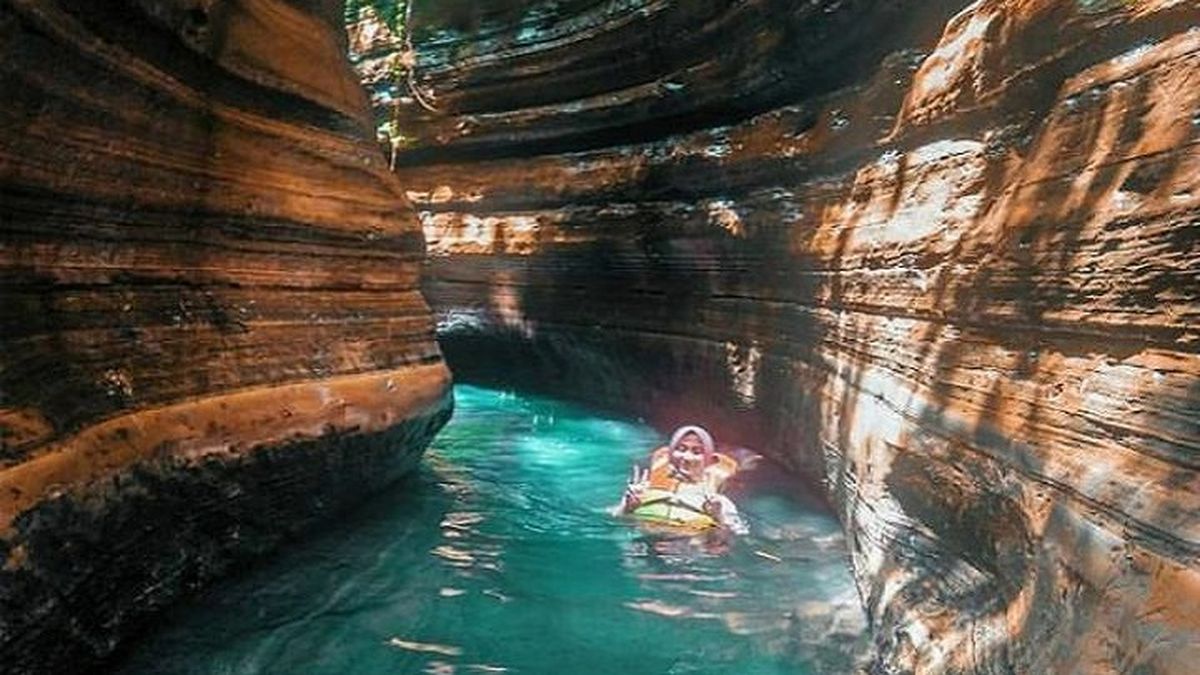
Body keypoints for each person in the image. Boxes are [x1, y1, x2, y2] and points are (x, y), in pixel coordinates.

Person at [616, 425, 748, 534]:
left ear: (709, 460)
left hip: (687, 552)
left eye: (696, 452)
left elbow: (738, 533)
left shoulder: (719, 502)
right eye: (681, 449)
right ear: (670, 454)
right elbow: (616, 520)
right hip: (642, 546)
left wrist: (718, 516)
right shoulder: (641, 491)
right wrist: (628, 507)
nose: (686, 457)